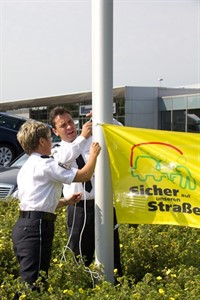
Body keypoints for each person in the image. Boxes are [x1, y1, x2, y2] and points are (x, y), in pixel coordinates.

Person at [12, 119, 101, 296]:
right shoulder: (46, 164)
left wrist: (65, 202)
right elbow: (84, 175)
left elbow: (37, 204)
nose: (51, 140)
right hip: (36, 229)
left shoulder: (28, 165)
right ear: (42, 142)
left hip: (25, 225)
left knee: (31, 279)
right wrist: (94, 155)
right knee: (33, 284)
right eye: (49, 137)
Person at [49, 106, 123, 277]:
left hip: (103, 203)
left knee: (111, 251)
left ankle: (114, 285)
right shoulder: (58, 150)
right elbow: (66, 158)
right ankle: (82, 285)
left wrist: (104, 118)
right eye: (63, 125)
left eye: (70, 122)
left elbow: (118, 133)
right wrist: (82, 137)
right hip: (79, 208)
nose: (69, 127)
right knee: (80, 253)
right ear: (55, 131)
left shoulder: (91, 140)